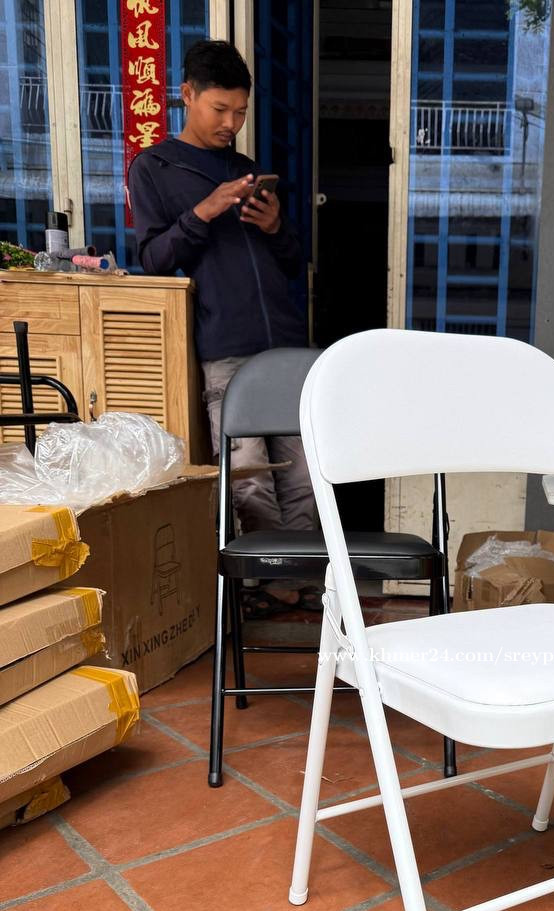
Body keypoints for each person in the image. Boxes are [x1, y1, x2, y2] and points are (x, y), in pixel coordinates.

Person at [128, 39, 318, 617]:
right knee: (250, 476)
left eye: (240, 112)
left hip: (285, 344)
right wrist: (204, 211)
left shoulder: (245, 169)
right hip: (225, 346)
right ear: (187, 95)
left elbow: (293, 262)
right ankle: (268, 582)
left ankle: (303, 580)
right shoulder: (154, 168)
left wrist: (276, 225)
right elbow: (153, 259)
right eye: (220, 109)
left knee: (304, 474)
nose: (231, 124)